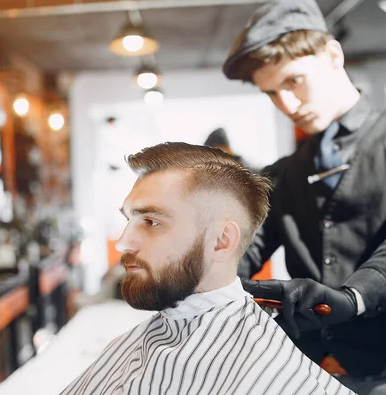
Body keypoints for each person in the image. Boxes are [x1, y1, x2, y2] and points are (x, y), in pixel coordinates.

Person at [222, 0, 386, 393]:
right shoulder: (280, 175)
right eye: (271, 94)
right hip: (309, 376)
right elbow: (240, 252)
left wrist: (353, 296)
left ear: (333, 54)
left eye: (293, 81)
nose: (288, 104)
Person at [60, 142, 354, 395]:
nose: (123, 243)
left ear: (221, 242)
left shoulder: (265, 369)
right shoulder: (153, 335)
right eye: (128, 220)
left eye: (151, 222)